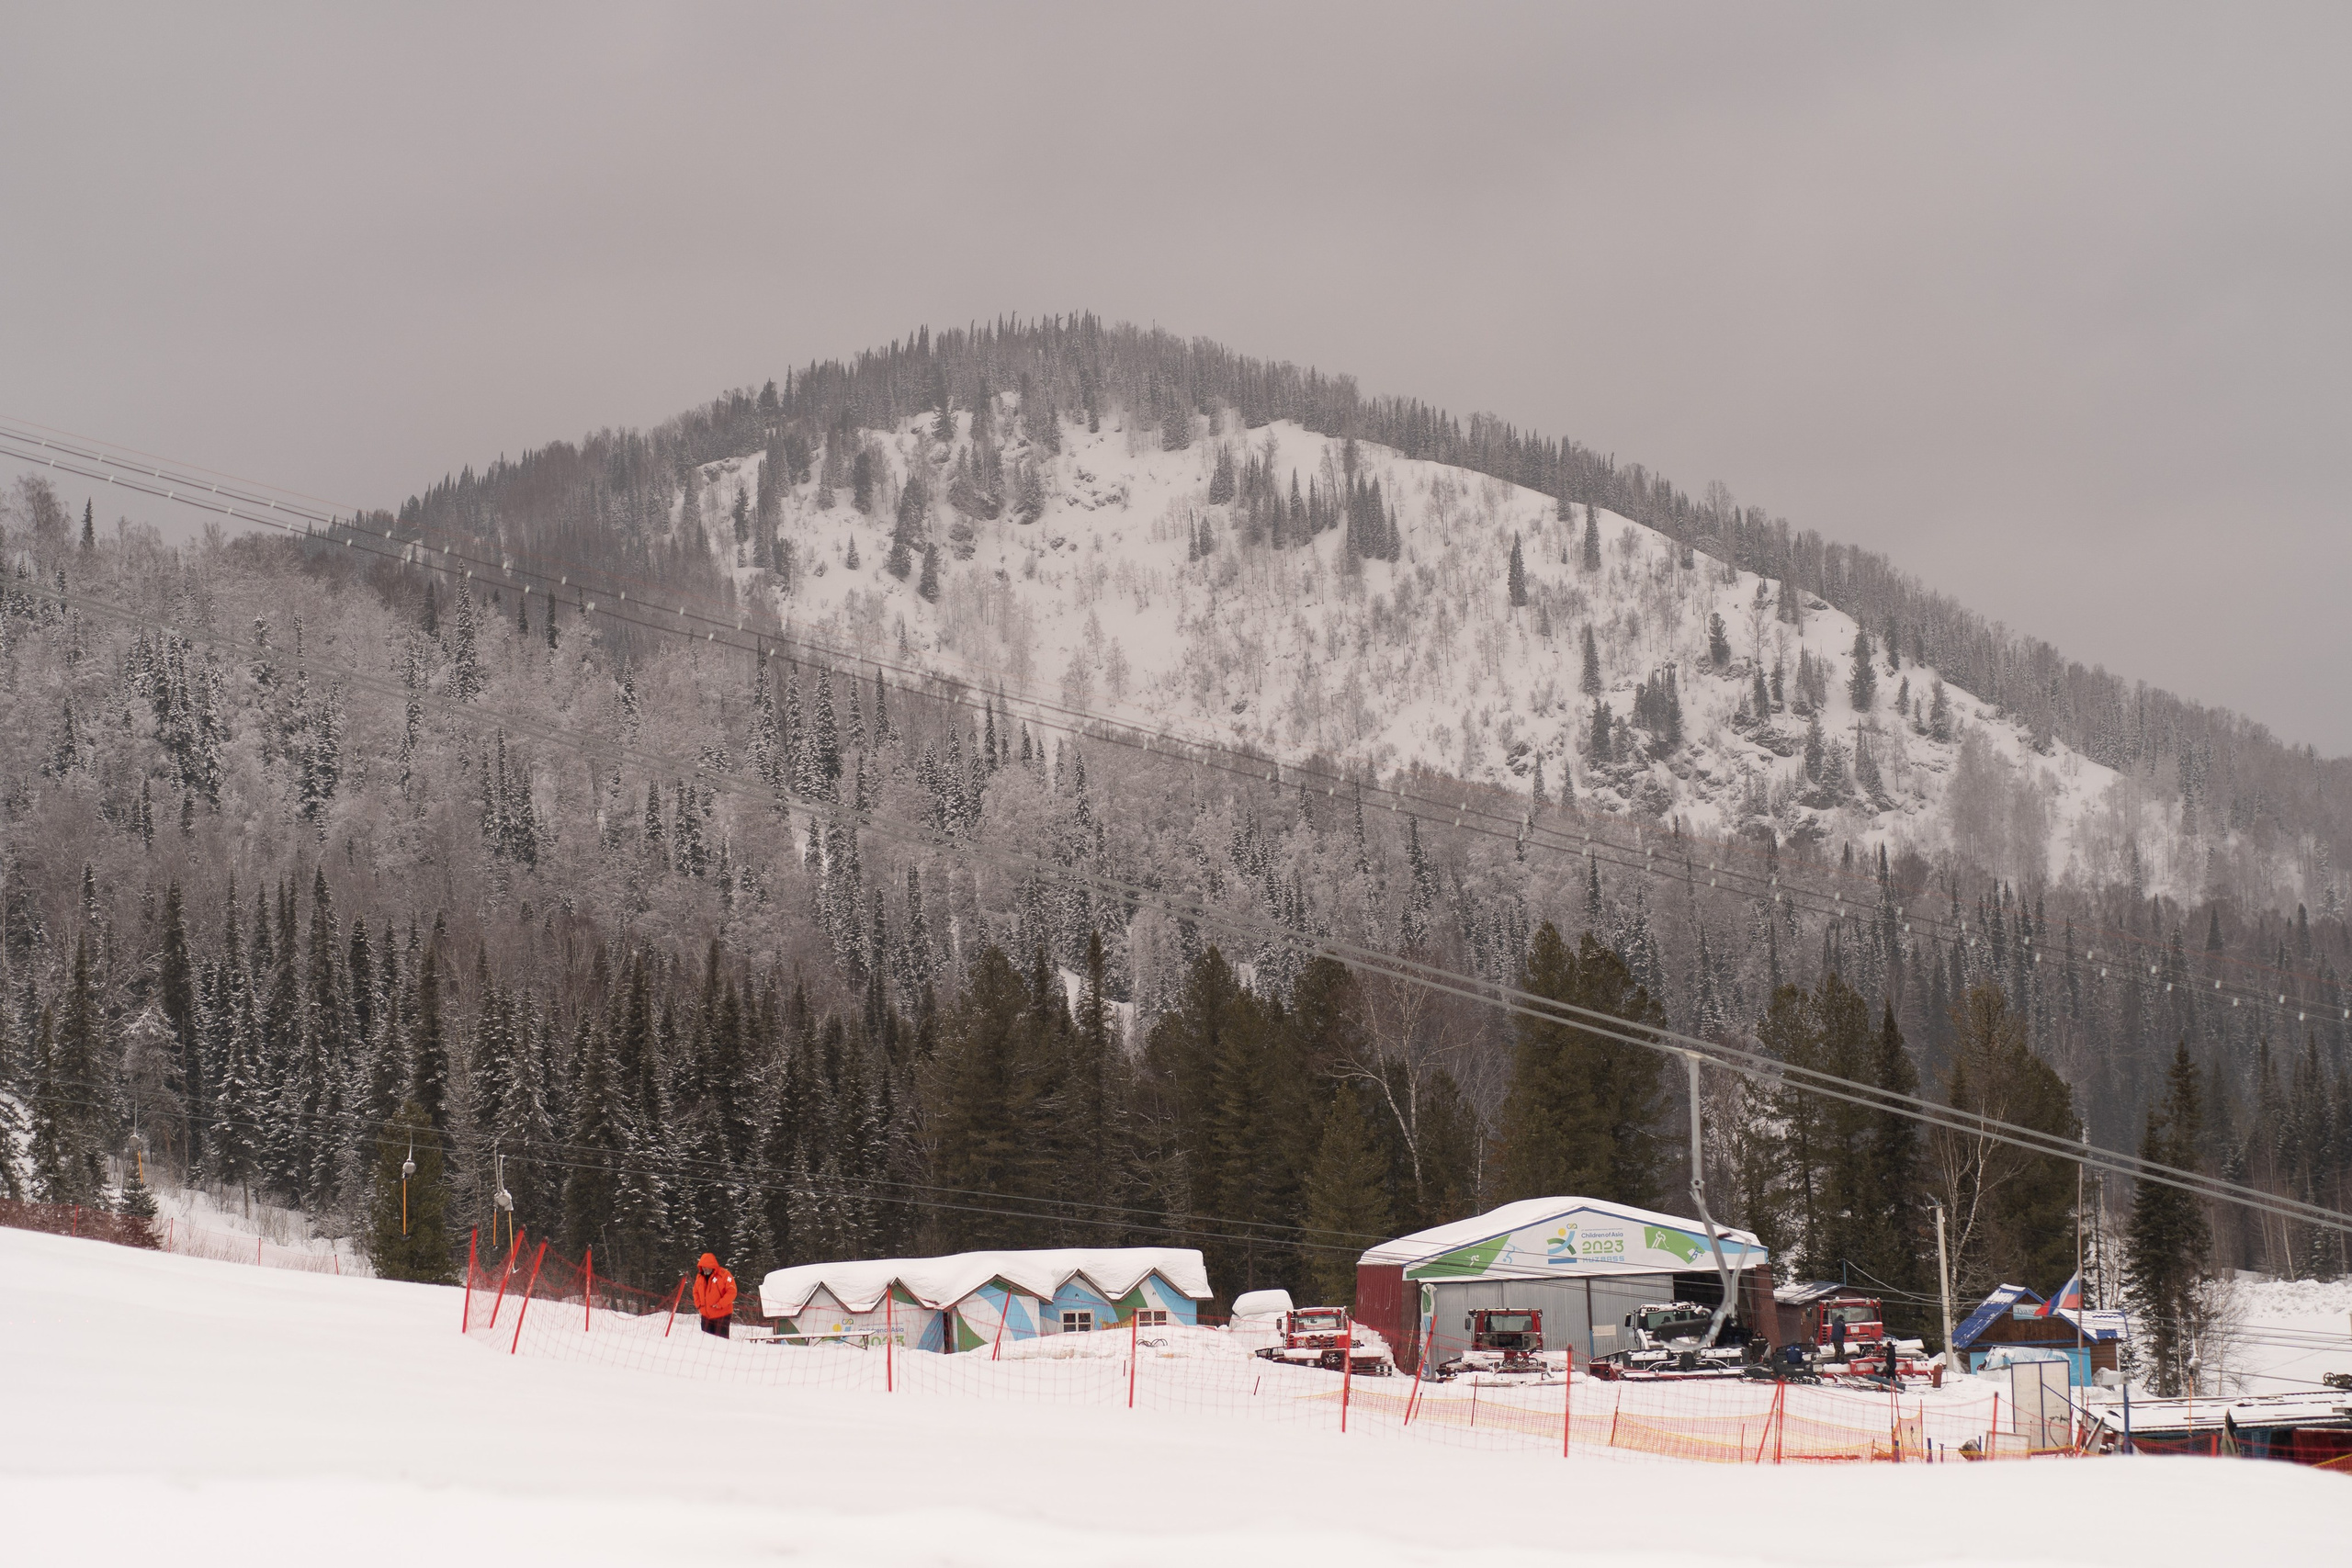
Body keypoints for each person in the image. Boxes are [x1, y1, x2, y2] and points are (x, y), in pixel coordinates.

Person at [693, 1251, 737, 1338]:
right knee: (706, 1342)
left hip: (722, 1316)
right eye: (703, 1267)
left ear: (712, 1266)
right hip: (706, 1317)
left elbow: (732, 1292)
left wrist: (720, 1304)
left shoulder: (724, 1275)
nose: (705, 1269)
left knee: (721, 1342)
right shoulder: (699, 1277)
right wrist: (699, 1305)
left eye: (707, 1266)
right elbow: (695, 1291)